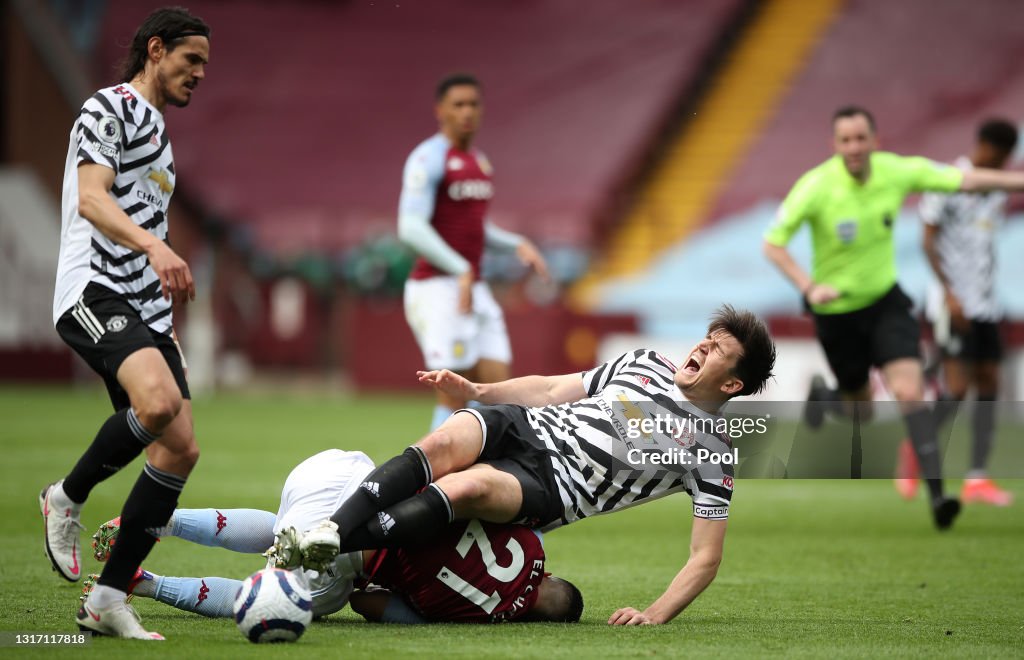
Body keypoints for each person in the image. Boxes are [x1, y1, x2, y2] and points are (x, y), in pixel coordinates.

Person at [295, 305, 776, 626]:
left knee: (466, 490)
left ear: (732, 385)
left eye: (718, 351)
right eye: (707, 340)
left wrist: (655, 614)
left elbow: (705, 557)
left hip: (551, 486)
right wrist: (479, 393)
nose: (702, 348)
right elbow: (549, 391)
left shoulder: (711, 452)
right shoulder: (644, 361)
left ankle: (327, 547)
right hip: (524, 425)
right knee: (443, 441)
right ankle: (327, 533)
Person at [762, 105, 1024, 530]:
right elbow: (773, 244)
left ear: (875, 140)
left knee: (910, 392)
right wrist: (809, 287)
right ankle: (826, 399)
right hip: (837, 315)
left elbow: (969, 179)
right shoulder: (815, 187)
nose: (854, 147)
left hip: (886, 304)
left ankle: (939, 498)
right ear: (835, 145)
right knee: (860, 409)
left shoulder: (896, 171)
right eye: (845, 140)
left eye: (861, 138)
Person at [42, 7, 210, 640]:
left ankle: (108, 599)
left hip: (144, 306)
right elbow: (92, 197)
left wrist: (161, 288)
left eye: (205, 66)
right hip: (94, 287)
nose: (199, 75)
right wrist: (157, 250)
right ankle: (67, 495)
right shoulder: (105, 108)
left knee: (180, 447)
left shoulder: (160, 133)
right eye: (191, 61)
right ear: (155, 49)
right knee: (160, 403)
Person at [86, 449, 583, 624]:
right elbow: (372, 607)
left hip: (343, 473)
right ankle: (145, 582)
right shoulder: (484, 613)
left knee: (285, 532)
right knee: (270, 600)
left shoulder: (531, 542)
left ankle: (162, 521)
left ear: (552, 575)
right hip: (348, 552)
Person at [398, 73, 550, 431]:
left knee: (501, 391)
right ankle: (432, 480)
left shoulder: (479, 162)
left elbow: (473, 227)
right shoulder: (427, 158)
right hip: (435, 287)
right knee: (453, 394)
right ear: (440, 110)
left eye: (473, 104)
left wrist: (515, 243)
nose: (467, 112)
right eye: (458, 104)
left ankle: (485, 474)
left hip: (472, 287)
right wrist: (460, 269)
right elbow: (410, 226)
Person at [914, 118, 1019, 506]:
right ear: (989, 147)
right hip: (951, 302)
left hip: (986, 305)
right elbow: (927, 240)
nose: (1005, 165)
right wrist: (950, 293)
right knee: (957, 389)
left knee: (989, 382)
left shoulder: (997, 192)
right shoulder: (949, 180)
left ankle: (977, 477)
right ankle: (917, 442)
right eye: (1004, 156)